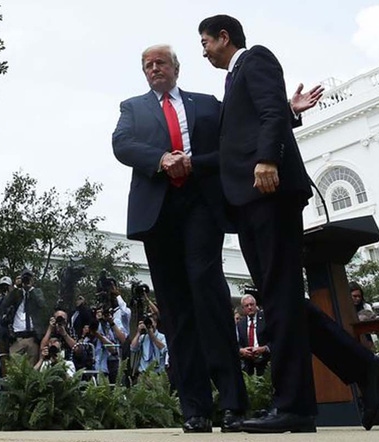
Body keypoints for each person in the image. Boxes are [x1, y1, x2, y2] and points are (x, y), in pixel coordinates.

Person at [198, 14, 379, 433]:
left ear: (224, 37)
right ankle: (362, 365)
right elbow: (261, 119)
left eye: (206, 42)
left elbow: (266, 113)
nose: (204, 51)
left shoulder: (257, 59)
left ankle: (294, 407)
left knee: (280, 298)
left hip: (269, 191)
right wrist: (287, 113)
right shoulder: (234, 79)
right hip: (248, 199)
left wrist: (268, 157)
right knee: (280, 300)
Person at [112, 43, 259, 433]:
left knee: (210, 301)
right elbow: (122, 144)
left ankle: (233, 405)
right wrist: (161, 158)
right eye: (147, 65)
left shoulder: (207, 103)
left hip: (201, 207)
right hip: (158, 214)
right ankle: (195, 409)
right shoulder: (133, 108)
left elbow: (239, 128)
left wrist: (290, 112)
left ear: (176, 67)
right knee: (176, 313)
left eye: (160, 62)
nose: (153, 68)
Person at [0, 269, 45, 365]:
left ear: (32, 280)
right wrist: (16, 287)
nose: (26, 280)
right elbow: (4, 304)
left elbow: (42, 304)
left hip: (32, 337)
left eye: (28, 278)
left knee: (31, 371)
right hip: (17, 338)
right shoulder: (17, 293)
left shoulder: (37, 292)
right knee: (14, 369)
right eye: (24, 278)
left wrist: (31, 289)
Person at [236, 294, 269, 376]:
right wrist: (242, 351)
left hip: (266, 362)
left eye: (251, 304)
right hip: (248, 365)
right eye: (246, 305)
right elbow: (237, 343)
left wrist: (264, 348)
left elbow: (275, 339)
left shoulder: (266, 319)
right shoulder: (241, 324)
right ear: (243, 309)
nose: (250, 307)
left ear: (256, 305)